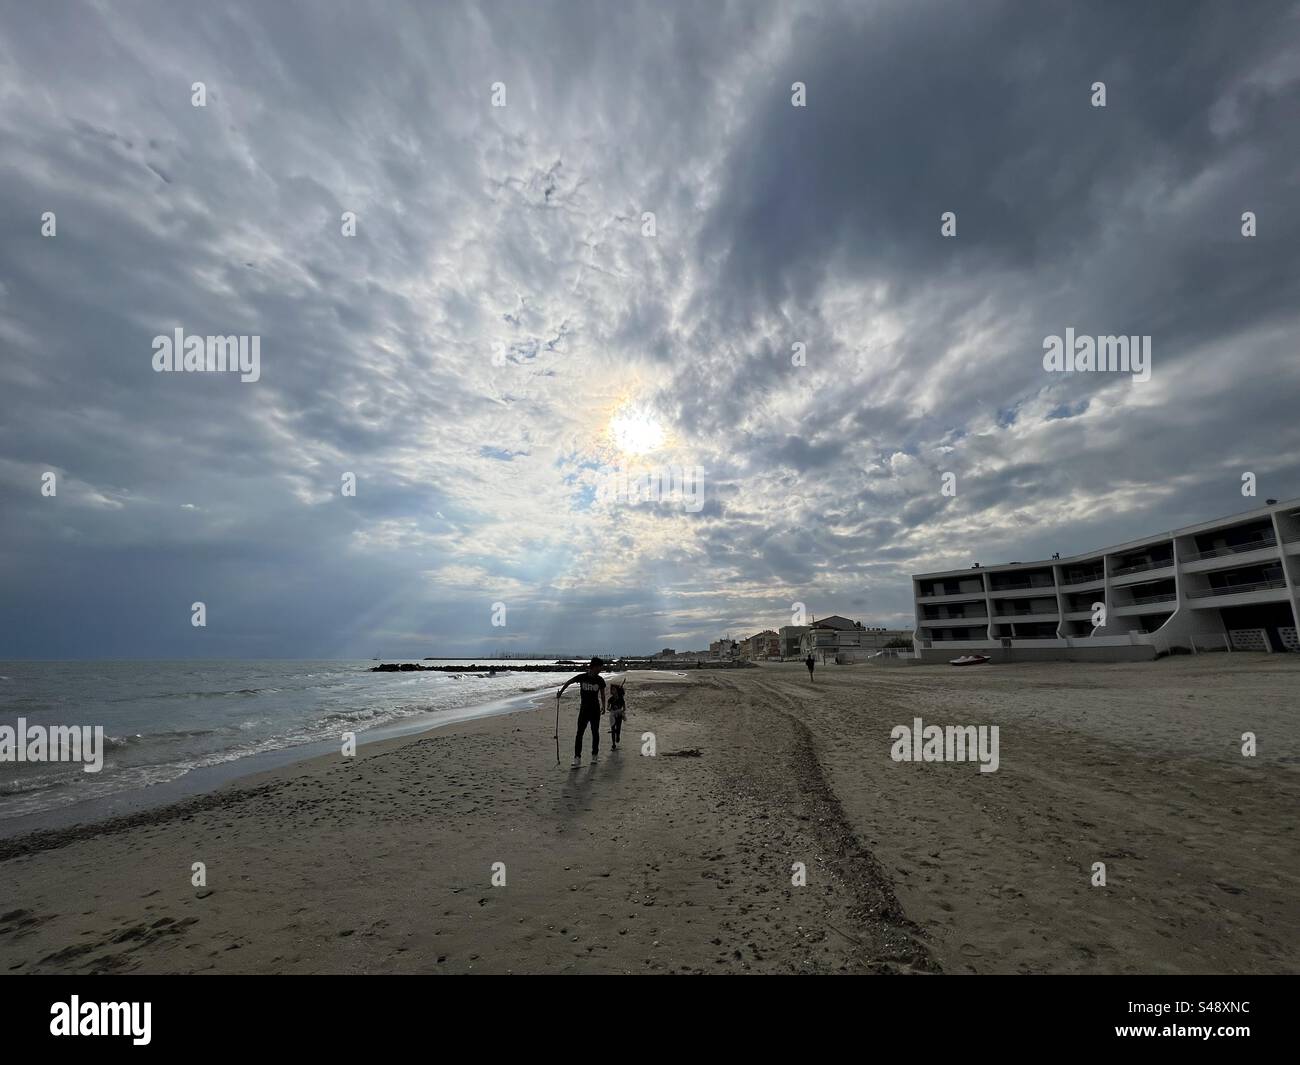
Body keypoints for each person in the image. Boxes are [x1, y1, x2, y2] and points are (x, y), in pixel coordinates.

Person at [557, 657, 606, 767]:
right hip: (584, 710)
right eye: (600, 667)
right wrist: (561, 693)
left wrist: (604, 706)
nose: (601, 669)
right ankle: (577, 758)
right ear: (594, 666)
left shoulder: (600, 680)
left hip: (595, 710)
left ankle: (594, 755)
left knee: (595, 732)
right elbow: (569, 682)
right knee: (579, 733)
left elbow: (602, 694)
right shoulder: (582, 677)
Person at [607, 680, 627, 750]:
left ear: (617, 690)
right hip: (612, 716)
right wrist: (611, 710)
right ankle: (613, 744)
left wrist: (620, 711)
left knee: (618, 729)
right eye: (611, 689)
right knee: (613, 729)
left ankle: (618, 735)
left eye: (613, 689)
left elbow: (624, 708)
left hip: (619, 716)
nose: (612, 691)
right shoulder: (610, 699)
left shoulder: (621, 699)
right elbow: (608, 708)